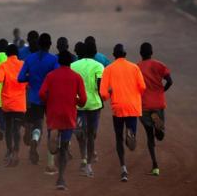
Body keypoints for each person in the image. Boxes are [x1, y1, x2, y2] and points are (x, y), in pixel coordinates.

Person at [39, 51, 87, 190]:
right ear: (71, 62)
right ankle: (61, 179)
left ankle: (53, 138)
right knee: (65, 147)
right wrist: (75, 100)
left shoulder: (50, 75)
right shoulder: (76, 77)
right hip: (68, 115)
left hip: (53, 113)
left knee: (54, 136)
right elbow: (83, 100)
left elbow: (42, 93)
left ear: (59, 61)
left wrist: (49, 101)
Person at [100, 44, 145, 182]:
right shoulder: (135, 67)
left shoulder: (108, 69)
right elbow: (142, 87)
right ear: (125, 54)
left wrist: (109, 95)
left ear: (114, 55)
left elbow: (103, 94)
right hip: (132, 107)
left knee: (118, 138)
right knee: (130, 130)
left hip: (118, 107)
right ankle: (131, 133)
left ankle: (123, 168)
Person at [18, 32, 59, 173]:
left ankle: (35, 139)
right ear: (50, 44)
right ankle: (50, 162)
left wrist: (31, 78)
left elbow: (20, 77)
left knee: (37, 123)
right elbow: (57, 77)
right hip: (49, 98)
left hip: (34, 97)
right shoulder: (53, 60)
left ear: (39, 44)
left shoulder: (29, 58)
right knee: (51, 127)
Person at [138, 42, 173, 176]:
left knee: (149, 135)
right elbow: (170, 81)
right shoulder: (159, 65)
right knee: (159, 136)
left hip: (144, 105)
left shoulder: (137, 67)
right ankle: (159, 130)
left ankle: (155, 166)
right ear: (151, 52)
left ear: (141, 54)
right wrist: (161, 91)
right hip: (158, 103)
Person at [71, 42, 104, 177]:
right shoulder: (99, 66)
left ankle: (83, 158)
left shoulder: (73, 66)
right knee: (91, 135)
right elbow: (100, 87)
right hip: (94, 105)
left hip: (78, 105)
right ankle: (89, 166)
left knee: (80, 133)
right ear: (94, 52)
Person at [0, 44, 26, 167]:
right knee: (17, 128)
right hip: (20, 102)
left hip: (7, 102)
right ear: (17, 54)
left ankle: (9, 150)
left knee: (8, 128)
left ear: (7, 54)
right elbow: (27, 80)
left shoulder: (3, 65)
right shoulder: (23, 64)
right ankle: (17, 152)